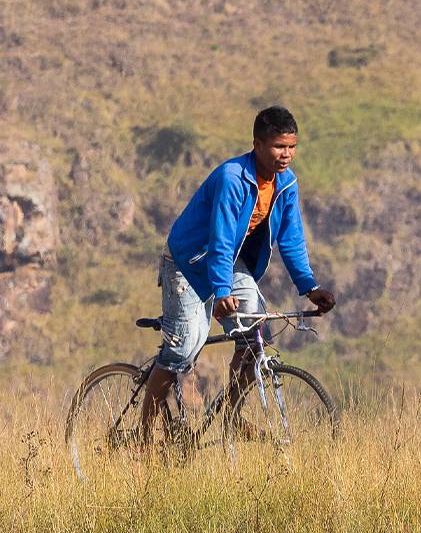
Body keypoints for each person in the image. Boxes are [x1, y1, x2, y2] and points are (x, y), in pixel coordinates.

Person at [142, 106, 336, 440]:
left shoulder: (286, 184)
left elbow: (291, 239)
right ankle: (143, 432)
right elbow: (219, 237)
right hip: (188, 262)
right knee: (185, 346)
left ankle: (231, 415)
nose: (286, 155)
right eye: (278, 146)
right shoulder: (233, 178)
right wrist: (220, 290)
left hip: (226, 262)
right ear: (257, 145)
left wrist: (309, 287)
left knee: (255, 337)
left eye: (291, 147)